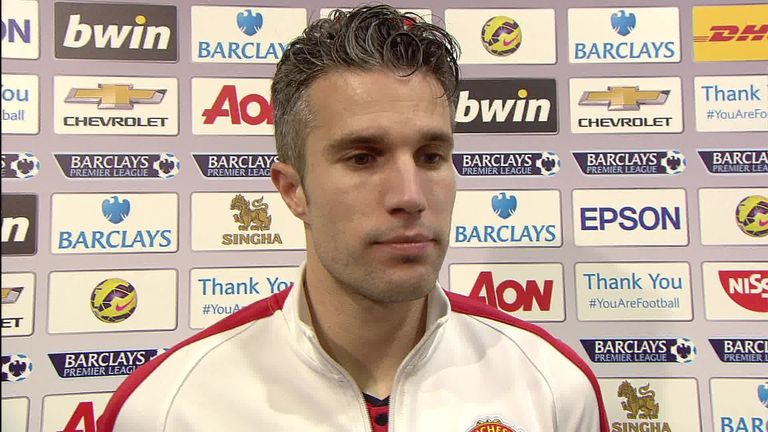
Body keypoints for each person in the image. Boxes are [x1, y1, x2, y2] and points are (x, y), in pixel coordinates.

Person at [98, 5, 608, 431]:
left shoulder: (551, 386)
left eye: (431, 156)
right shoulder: (169, 407)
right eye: (363, 158)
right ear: (293, 190)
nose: (410, 196)